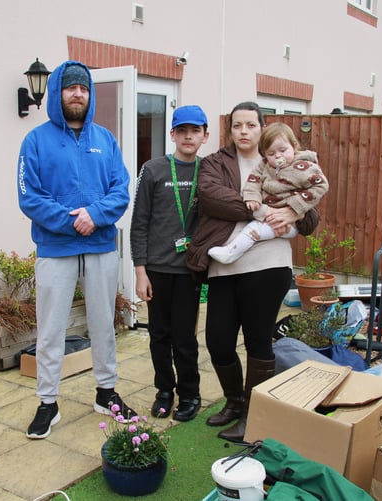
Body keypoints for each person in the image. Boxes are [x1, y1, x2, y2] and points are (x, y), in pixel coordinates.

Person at [186, 101, 319, 442]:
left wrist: (294, 211)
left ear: (263, 128)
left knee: (258, 339)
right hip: (224, 264)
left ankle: (252, 415)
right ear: (229, 131)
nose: (243, 131)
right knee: (217, 339)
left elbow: (312, 217)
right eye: (236, 126)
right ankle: (234, 402)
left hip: (268, 263)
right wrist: (267, 211)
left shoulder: (286, 160)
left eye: (250, 125)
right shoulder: (215, 163)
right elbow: (211, 198)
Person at [17, 60, 136, 439]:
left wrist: (95, 215)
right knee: (51, 329)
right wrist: (72, 222)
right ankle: (48, 403)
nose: (77, 94)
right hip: (56, 249)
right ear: (58, 92)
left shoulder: (106, 140)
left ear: (90, 93)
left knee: (104, 323)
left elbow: (121, 189)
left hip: (100, 246)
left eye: (83, 88)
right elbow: (29, 197)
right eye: (70, 88)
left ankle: (107, 393)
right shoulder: (36, 140)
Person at [130, 105, 209, 422]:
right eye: (182, 131)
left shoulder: (211, 171)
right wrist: (140, 271)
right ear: (172, 134)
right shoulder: (153, 170)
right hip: (158, 271)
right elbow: (139, 223)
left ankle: (190, 394)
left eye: (195, 131)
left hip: (190, 271)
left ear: (205, 135)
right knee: (159, 335)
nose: (189, 136)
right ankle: (165, 391)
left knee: (185, 338)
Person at [207, 122, 328, 264]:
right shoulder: (264, 165)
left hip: (290, 222)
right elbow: (254, 181)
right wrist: (252, 197)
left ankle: (230, 253)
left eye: (283, 150)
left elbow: (321, 185)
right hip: (272, 216)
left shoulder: (304, 167)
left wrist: (295, 207)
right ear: (264, 154)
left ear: (294, 146)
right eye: (271, 153)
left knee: (253, 230)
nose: (278, 156)